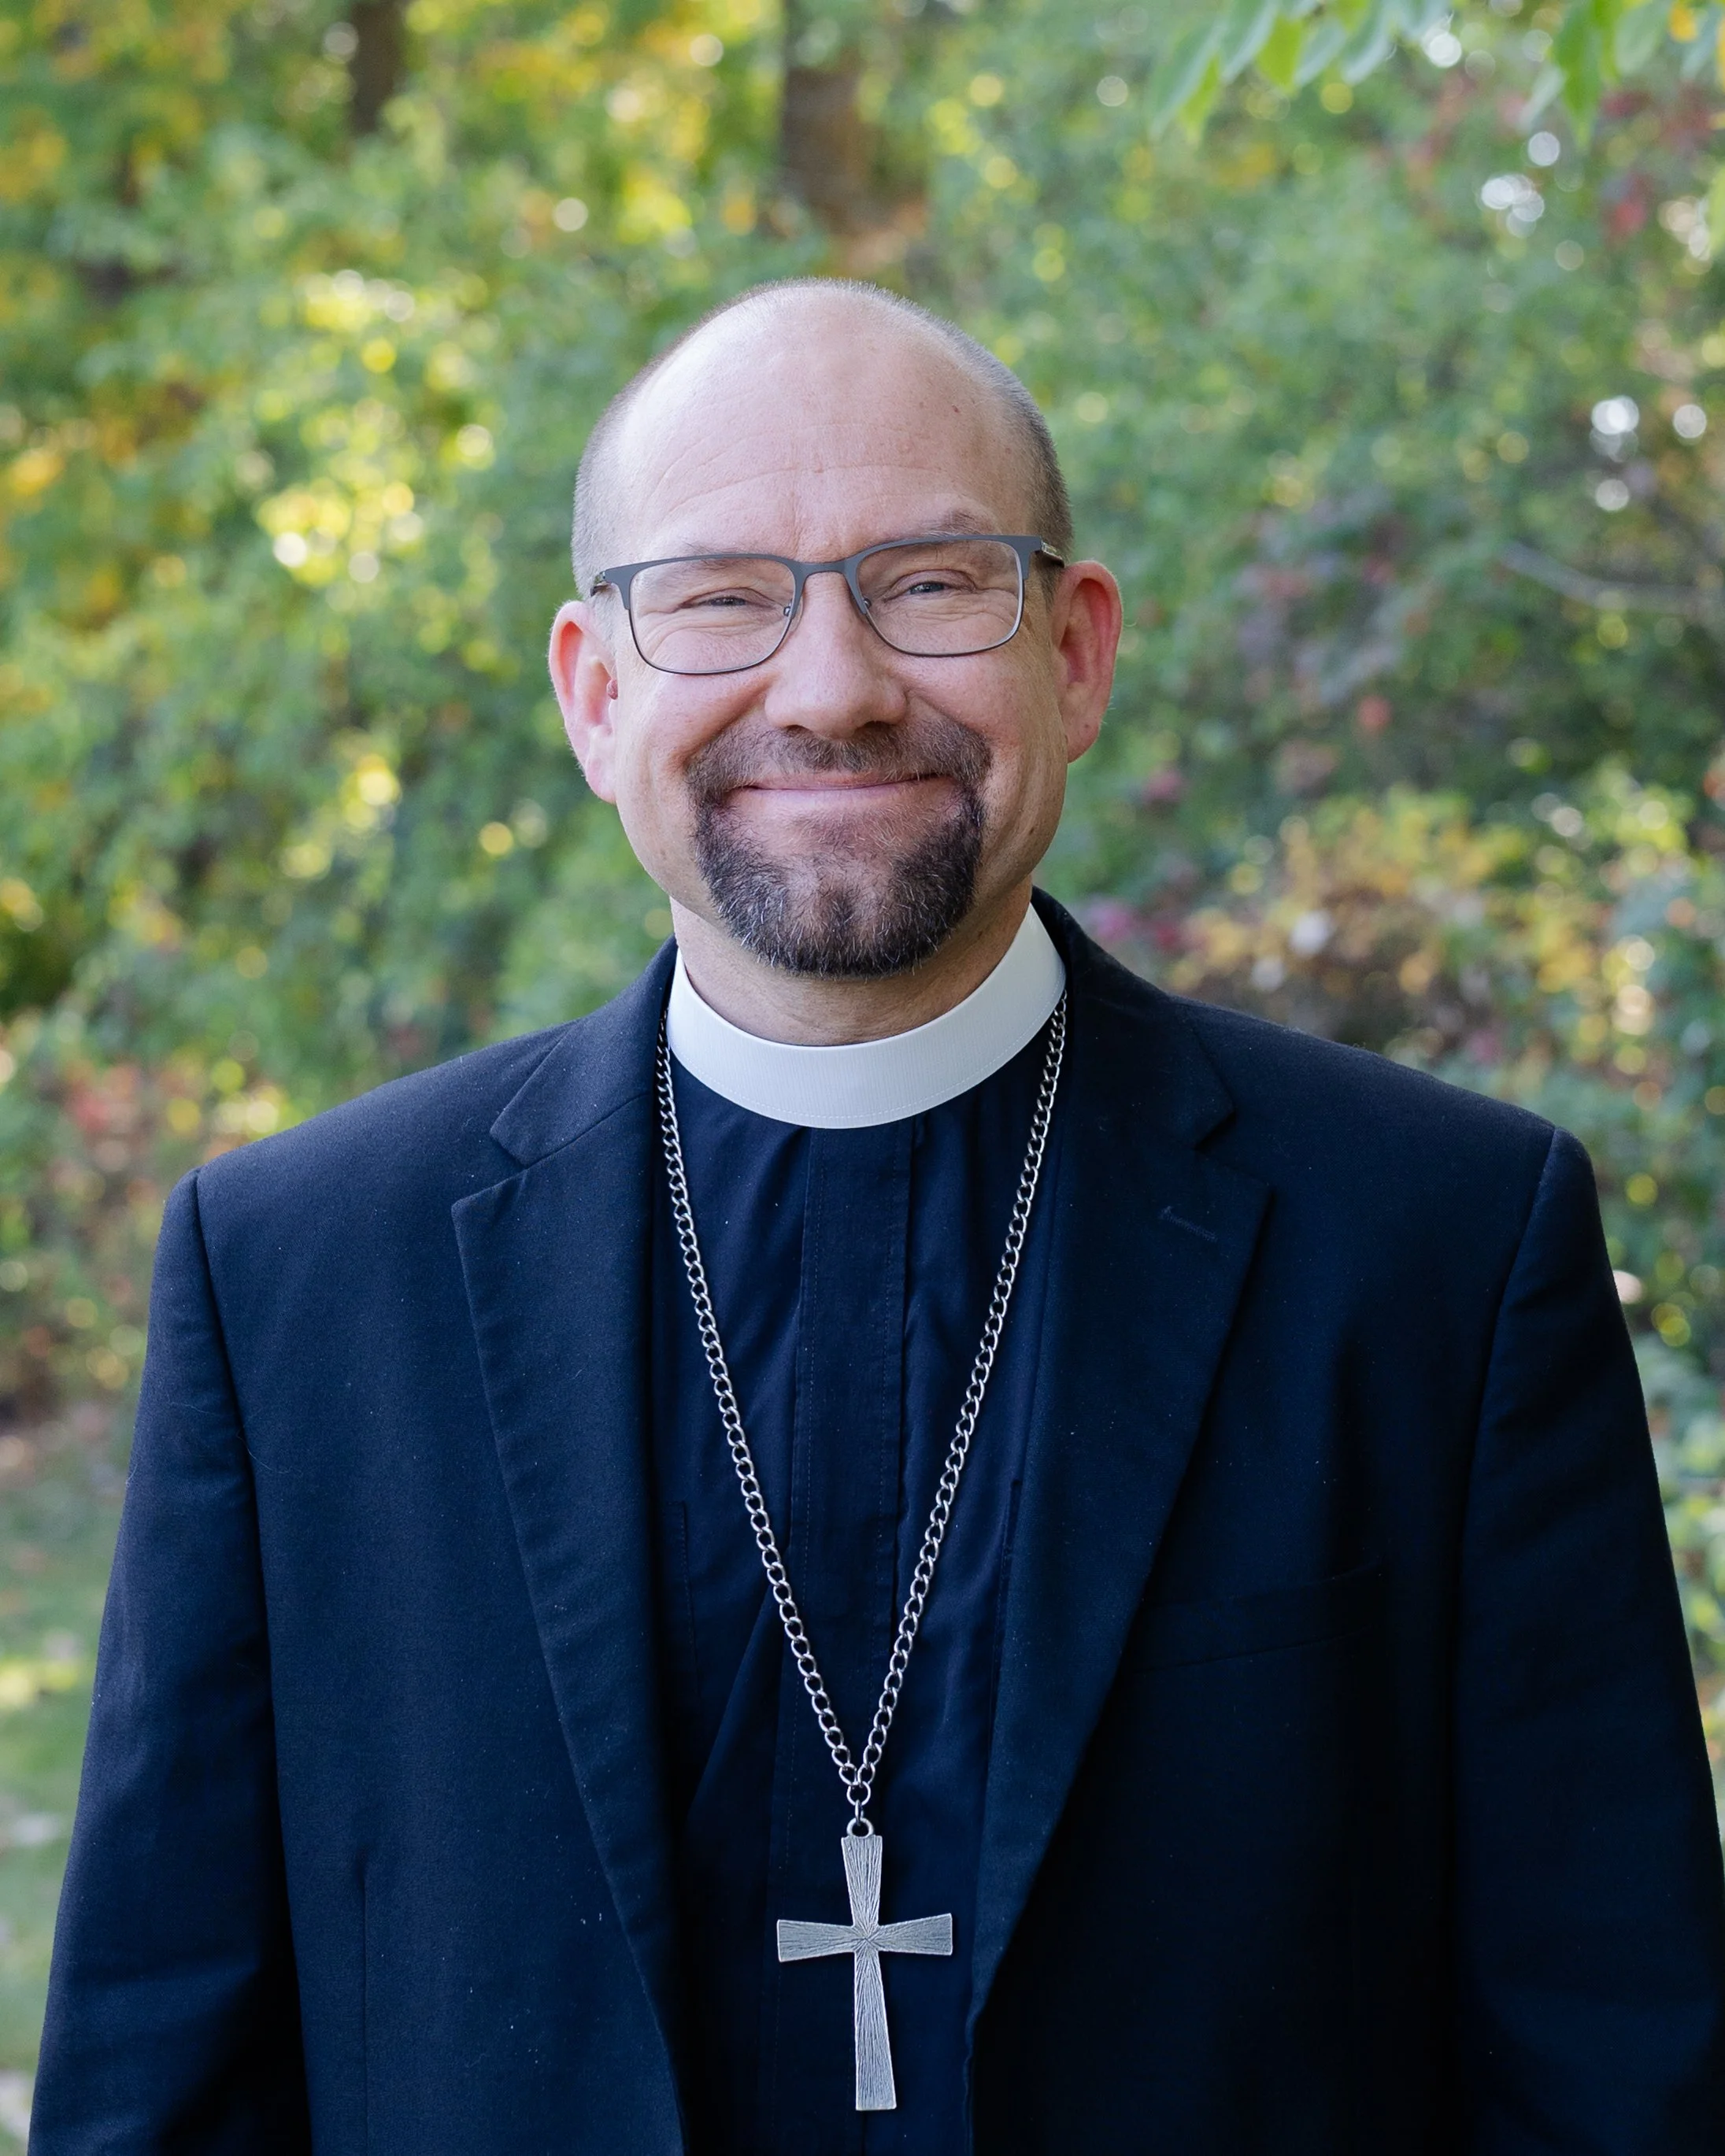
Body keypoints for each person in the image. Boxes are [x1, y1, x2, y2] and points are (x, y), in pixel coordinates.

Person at [31, 278, 1725, 2155]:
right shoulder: (292, 1288)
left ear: (1076, 656)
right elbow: (161, 2094)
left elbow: (1614, 2073)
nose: (831, 688)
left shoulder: (1441, 1250)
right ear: (597, 697)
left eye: (930, 582)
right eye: (720, 597)